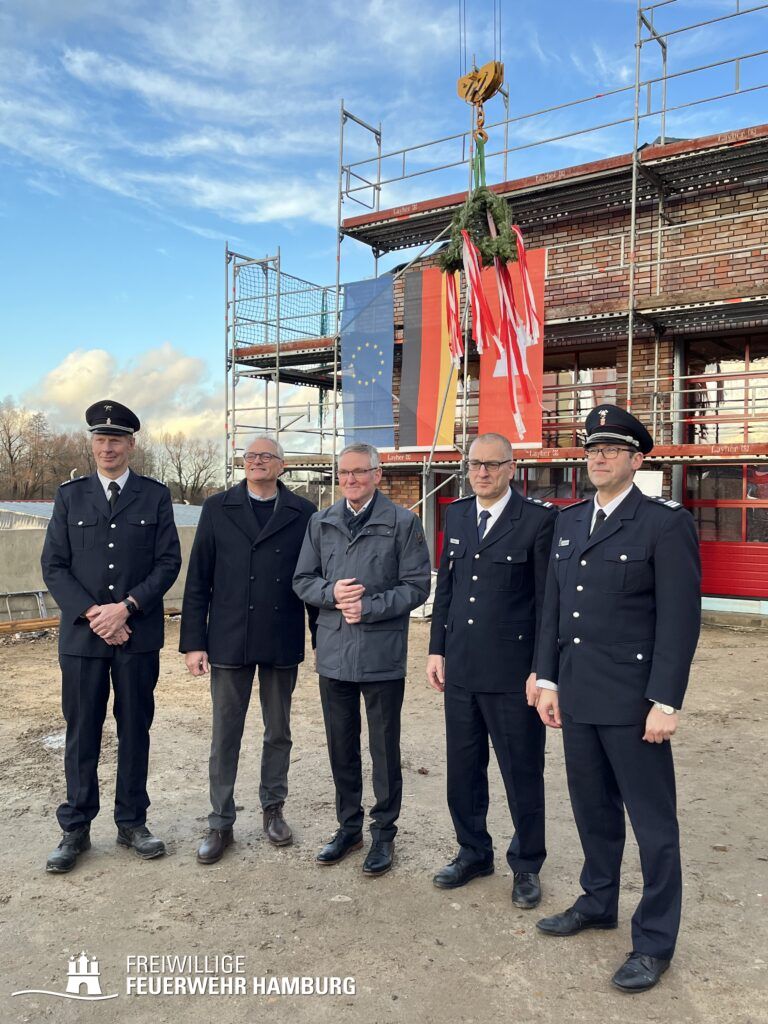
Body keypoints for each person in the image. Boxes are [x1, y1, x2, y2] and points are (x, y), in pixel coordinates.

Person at [534, 404, 701, 993]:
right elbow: (553, 607)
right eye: (591, 449)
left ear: (635, 459)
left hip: (634, 704)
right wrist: (546, 678)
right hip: (577, 695)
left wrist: (665, 700)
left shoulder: (663, 523)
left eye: (610, 449)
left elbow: (679, 622)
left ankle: (654, 941)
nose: (598, 458)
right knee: (593, 810)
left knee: (654, 826)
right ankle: (598, 899)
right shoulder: (570, 520)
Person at [41, 400, 181, 873]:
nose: (107, 447)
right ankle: (75, 827)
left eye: (116, 440)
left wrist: (126, 608)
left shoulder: (154, 495)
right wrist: (94, 613)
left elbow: (167, 562)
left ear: (130, 445)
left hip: (137, 633)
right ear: (92, 444)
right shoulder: (70, 496)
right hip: (83, 638)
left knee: (134, 728)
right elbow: (54, 566)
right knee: (82, 731)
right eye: (100, 440)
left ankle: (132, 821)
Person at [427, 433, 556, 908]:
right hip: (460, 667)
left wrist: (541, 671)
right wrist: (436, 648)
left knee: (521, 773)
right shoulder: (458, 513)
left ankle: (526, 864)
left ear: (511, 468)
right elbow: (448, 586)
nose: (481, 472)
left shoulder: (539, 521)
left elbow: (548, 603)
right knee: (463, 770)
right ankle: (473, 851)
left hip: (511, 674)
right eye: (474, 464)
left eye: (491, 464)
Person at [293, 443, 431, 877]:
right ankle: (348, 827)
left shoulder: (403, 523)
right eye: (344, 473)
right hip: (333, 655)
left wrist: (369, 606)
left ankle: (384, 835)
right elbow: (302, 580)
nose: (350, 480)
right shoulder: (322, 522)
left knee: (383, 749)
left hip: (381, 655)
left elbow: (416, 586)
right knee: (341, 747)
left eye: (359, 472)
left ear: (377, 474)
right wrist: (330, 595)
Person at [180, 436, 317, 864]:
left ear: (282, 465)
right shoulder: (217, 508)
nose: (257, 462)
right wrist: (193, 643)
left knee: (278, 731)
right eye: (250, 457)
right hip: (228, 637)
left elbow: (313, 577)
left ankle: (273, 809)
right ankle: (220, 822)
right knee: (225, 735)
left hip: (280, 635)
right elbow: (198, 578)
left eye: (266, 457)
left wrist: (321, 637)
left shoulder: (303, 513)